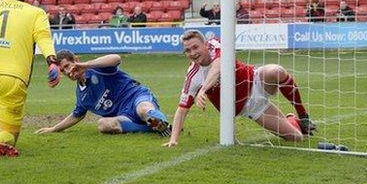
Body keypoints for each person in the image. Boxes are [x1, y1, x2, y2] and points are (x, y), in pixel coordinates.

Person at [163, 31, 316, 147]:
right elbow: (182, 109)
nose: (193, 53)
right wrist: (173, 140)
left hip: (256, 81)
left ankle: (303, 115)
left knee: (276, 71)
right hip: (252, 108)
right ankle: (292, 121)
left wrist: (203, 90)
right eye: (188, 51)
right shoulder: (193, 76)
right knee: (296, 138)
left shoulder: (215, 44)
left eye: (195, 47)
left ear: (205, 44)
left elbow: (218, 66)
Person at [0, 0, 61, 157]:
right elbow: (44, 38)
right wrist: (52, 62)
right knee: (12, 134)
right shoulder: (36, 13)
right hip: (12, 78)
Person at [35, 50, 170, 136]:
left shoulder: (97, 68)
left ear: (76, 60)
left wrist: (86, 65)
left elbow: (116, 58)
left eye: (67, 66)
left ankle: (163, 123)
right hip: (124, 116)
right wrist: (53, 129)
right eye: (63, 71)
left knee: (143, 110)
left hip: (136, 97)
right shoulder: (82, 96)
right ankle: (152, 127)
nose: (67, 71)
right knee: (103, 125)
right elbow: (76, 115)